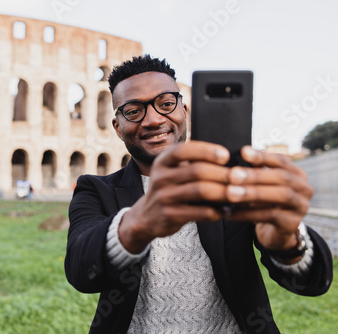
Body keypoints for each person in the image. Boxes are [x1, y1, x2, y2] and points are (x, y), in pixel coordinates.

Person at [64, 55, 333, 334]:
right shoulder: (96, 190)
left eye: (166, 104)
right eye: (133, 111)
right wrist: (138, 222)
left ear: (185, 112)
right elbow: (81, 271)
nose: (154, 119)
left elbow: (314, 283)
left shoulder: (236, 181)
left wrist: (287, 242)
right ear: (118, 127)